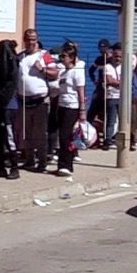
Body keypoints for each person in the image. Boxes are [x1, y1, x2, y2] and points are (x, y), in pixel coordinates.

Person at [17, 29, 57, 173]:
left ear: (37, 40)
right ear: (24, 39)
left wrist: (42, 70)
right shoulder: (20, 56)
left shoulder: (44, 55)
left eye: (33, 39)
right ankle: (28, 161)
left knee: (40, 133)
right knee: (26, 133)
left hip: (40, 100)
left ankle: (42, 163)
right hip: (23, 100)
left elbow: (55, 73)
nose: (30, 42)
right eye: (28, 39)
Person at [0, 40, 20, 178]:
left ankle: (14, 167)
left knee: (8, 136)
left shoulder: (13, 66)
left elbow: (10, 88)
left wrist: (1, 97)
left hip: (8, 106)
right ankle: (0, 167)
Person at [54, 42, 87, 177]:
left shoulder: (77, 72)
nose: (62, 59)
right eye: (61, 56)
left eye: (65, 56)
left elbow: (81, 91)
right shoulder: (63, 72)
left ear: (72, 58)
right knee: (62, 136)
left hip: (72, 107)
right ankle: (62, 164)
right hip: (62, 106)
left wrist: (82, 110)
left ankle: (66, 165)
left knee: (66, 136)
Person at [98, 43, 122, 150]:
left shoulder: (123, 67)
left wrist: (117, 82)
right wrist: (119, 82)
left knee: (123, 120)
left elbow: (126, 80)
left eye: (120, 57)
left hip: (122, 97)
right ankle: (108, 140)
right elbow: (109, 80)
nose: (118, 59)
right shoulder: (107, 67)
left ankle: (122, 140)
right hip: (111, 96)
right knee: (111, 120)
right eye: (116, 56)